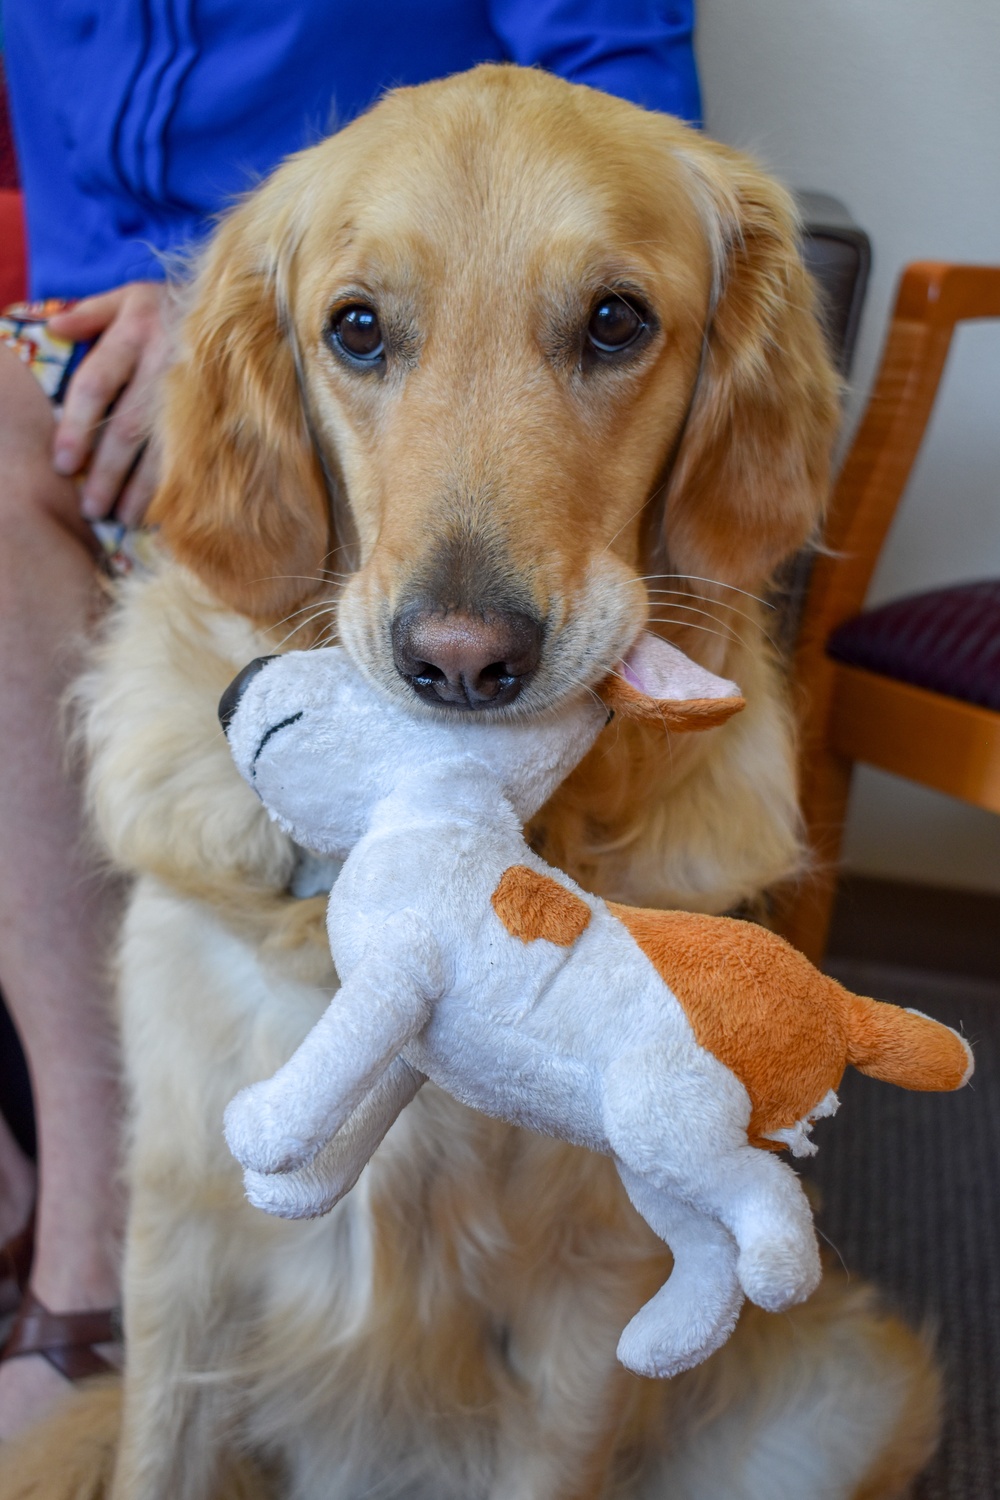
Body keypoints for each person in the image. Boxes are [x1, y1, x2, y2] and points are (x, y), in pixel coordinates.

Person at [0, 0, 700, 1439]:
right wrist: (212, 313)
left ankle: (75, 1255)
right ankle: (76, 1197)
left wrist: (305, 285)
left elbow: (630, 100)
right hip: (129, 361)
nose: (460, 647)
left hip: (322, 290)